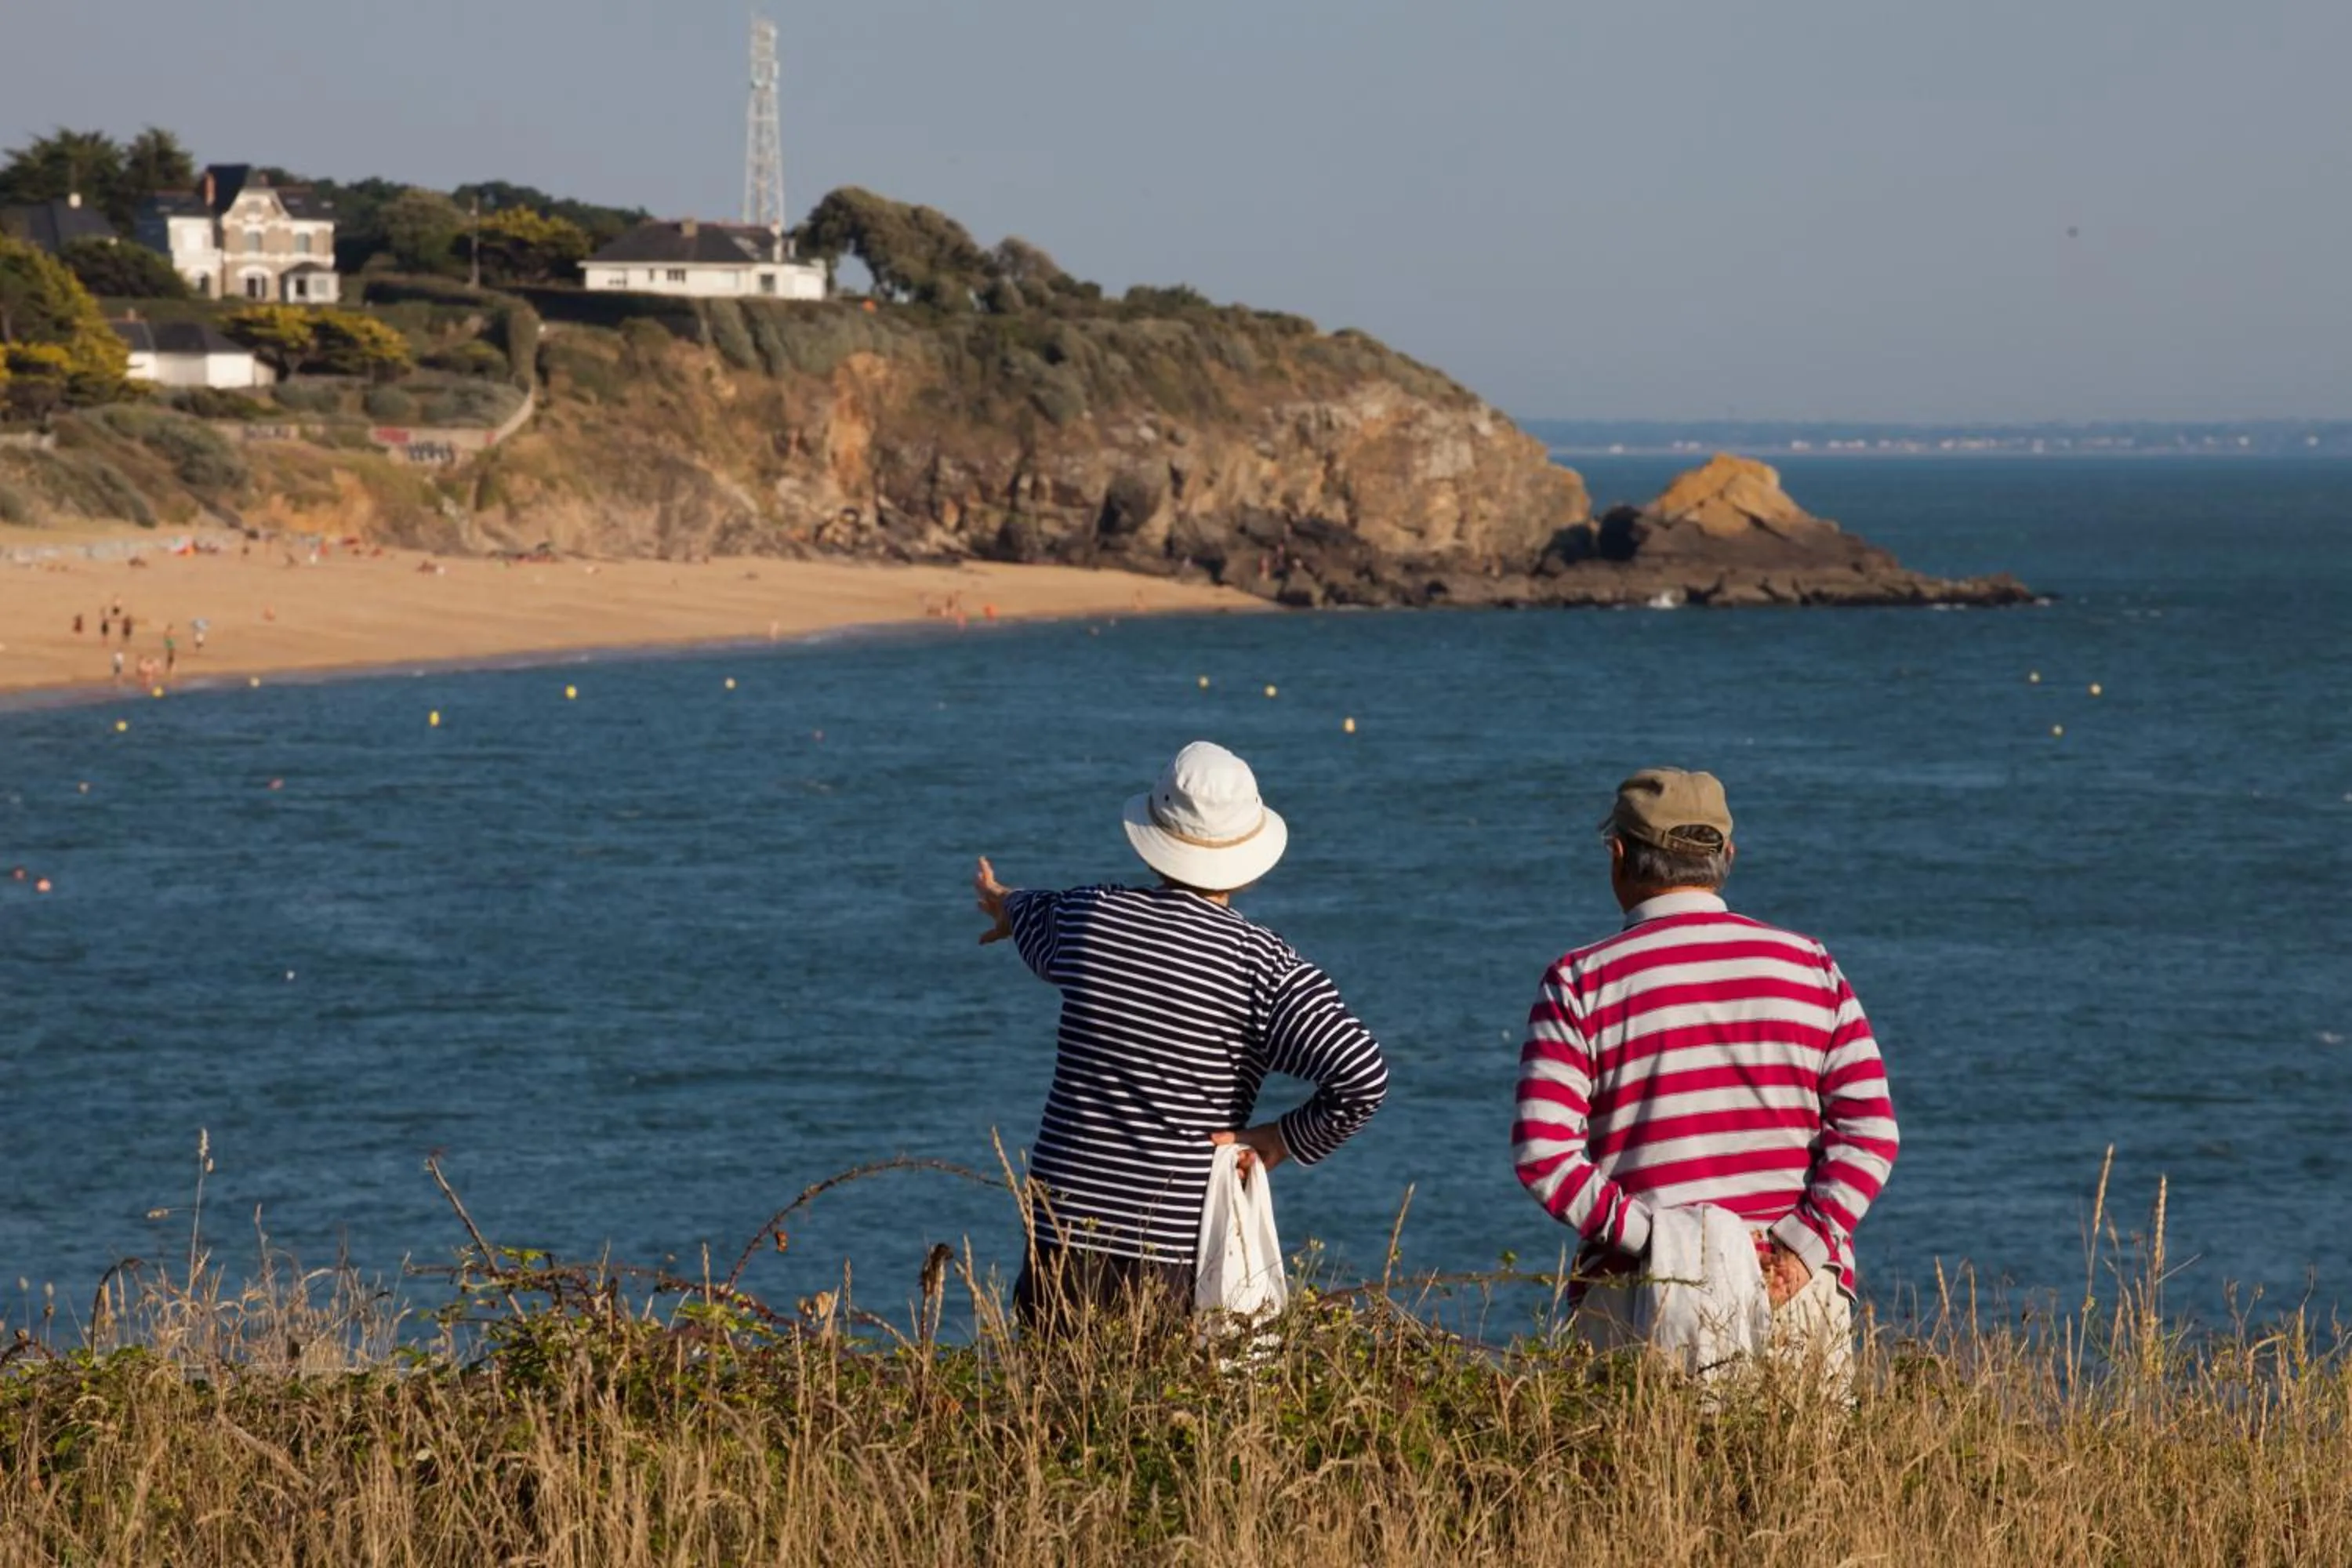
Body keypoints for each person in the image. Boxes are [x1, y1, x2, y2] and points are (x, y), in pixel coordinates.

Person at [976, 740, 1390, 1331]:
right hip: (1175, 1239)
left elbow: (1033, 912)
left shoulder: (1091, 918)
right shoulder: (1263, 968)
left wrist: (1003, 903)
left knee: (1056, 1403)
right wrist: (1280, 1139)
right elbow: (1363, 1077)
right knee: (1160, 1409)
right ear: (1248, 857)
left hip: (1061, 1224)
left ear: (1152, 838)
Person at [1512, 768, 1899, 1389]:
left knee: (1640, 1483)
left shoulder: (1579, 983)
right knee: (1803, 1481)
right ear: (1727, 857)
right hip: (1795, 1292)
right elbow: (1870, 1134)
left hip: (1637, 1296)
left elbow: (1544, 1156)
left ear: (1618, 855)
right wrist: (1801, 1248)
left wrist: (1663, 1246)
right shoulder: (1811, 967)